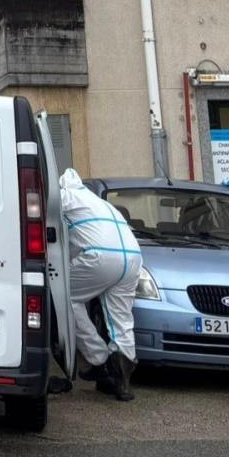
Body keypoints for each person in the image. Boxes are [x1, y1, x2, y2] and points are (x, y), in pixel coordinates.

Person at [60, 169, 142, 401]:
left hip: (102, 257)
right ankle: (123, 383)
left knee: (64, 297)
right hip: (132, 257)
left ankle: (98, 359)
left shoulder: (66, 196)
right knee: (121, 320)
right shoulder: (101, 204)